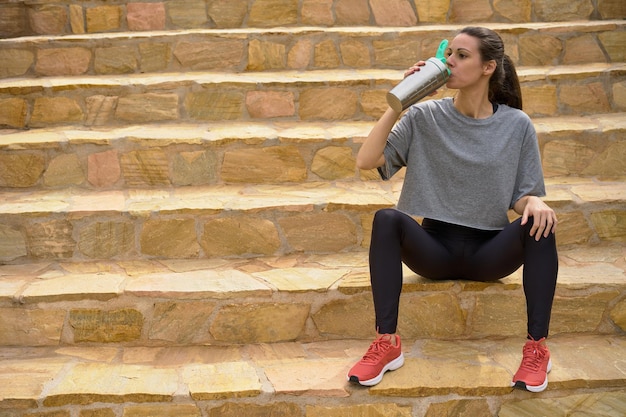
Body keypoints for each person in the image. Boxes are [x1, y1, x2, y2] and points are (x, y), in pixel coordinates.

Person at [347, 26, 558, 393]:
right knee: (387, 220)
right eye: (448, 55)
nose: (449, 63)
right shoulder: (424, 117)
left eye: (462, 56)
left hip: (489, 253)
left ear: (488, 67)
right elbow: (367, 160)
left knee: (540, 222)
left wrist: (535, 200)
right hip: (435, 249)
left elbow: (522, 197)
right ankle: (387, 342)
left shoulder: (516, 124)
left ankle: (536, 348)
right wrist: (401, 103)